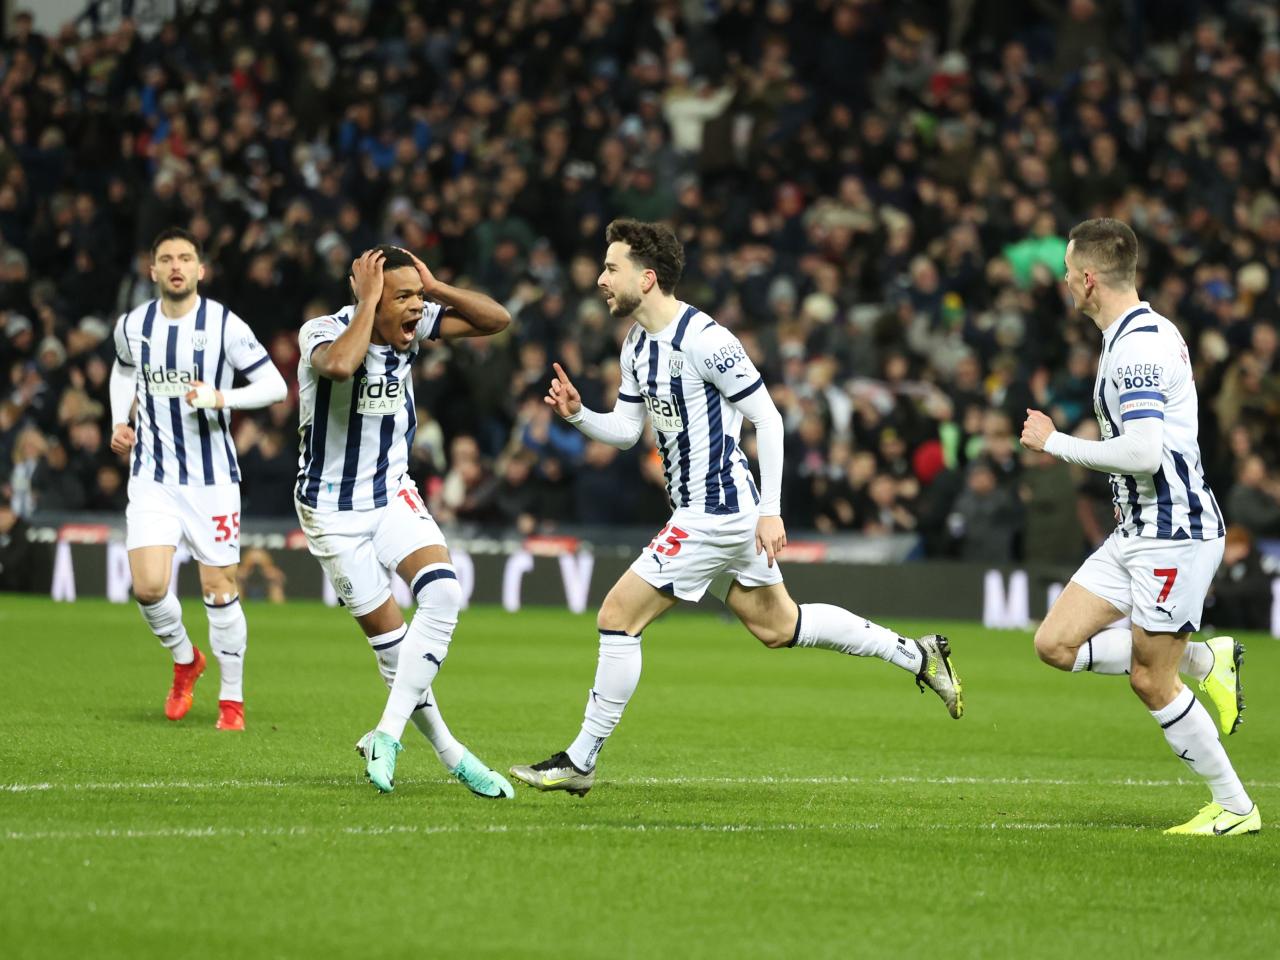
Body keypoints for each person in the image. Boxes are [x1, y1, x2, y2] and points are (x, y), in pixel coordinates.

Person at [510, 219, 963, 797]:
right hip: (711, 511)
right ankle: (917, 654)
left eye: (610, 268)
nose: (601, 279)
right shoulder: (636, 346)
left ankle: (580, 760)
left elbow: (768, 418)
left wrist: (770, 511)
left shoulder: (708, 341)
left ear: (646, 279)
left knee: (616, 616)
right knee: (780, 625)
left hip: (717, 513)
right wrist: (578, 415)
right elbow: (627, 431)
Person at [1021, 218, 1257, 836]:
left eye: (1071, 272)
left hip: (1173, 532)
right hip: (1135, 529)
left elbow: (1145, 452)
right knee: (1054, 644)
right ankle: (1206, 662)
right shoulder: (1133, 334)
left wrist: (1058, 444)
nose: (1067, 282)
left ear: (1090, 278)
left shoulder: (1136, 349)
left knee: (1151, 678)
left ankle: (1235, 806)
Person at [294, 244, 514, 796]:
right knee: (396, 654)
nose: (416, 310)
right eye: (404, 298)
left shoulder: (414, 326)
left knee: (442, 594)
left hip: (391, 493)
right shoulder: (321, 334)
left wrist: (434, 288)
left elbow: (497, 320)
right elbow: (342, 367)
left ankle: (388, 735)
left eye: (419, 297)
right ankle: (451, 752)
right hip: (330, 511)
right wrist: (370, 302)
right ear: (369, 295)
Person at [108, 228, 288, 730]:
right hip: (152, 475)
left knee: (218, 586)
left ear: (200, 270)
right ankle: (186, 659)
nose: (175, 266)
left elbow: (274, 386)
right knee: (147, 587)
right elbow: (124, 371)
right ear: (153, 271)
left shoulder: (224, 325)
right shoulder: (133, 326)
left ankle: (232, 700)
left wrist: (220, 398)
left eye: (185, 258)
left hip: (212, 482)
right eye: (165, 259)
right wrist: (119, 419)